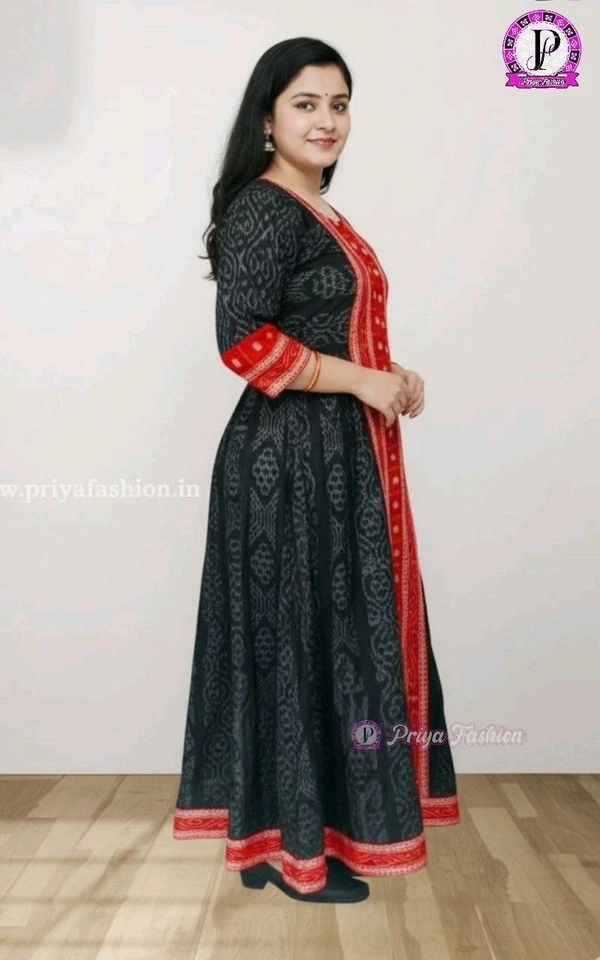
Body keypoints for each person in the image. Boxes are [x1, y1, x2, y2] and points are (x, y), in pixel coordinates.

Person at [172, 36, 460, 904]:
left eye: (338, 104)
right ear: (267, 118)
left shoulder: (318, 211)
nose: (326, 120)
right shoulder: (264, 208)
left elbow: (322, 328)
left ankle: (290, 840)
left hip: (334, 457)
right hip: (287, 467)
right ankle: (294, 852)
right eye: (305, 103)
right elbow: (244, 341)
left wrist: (389, 373)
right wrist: (362, 381)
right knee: (297, 644)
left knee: (322, 645)